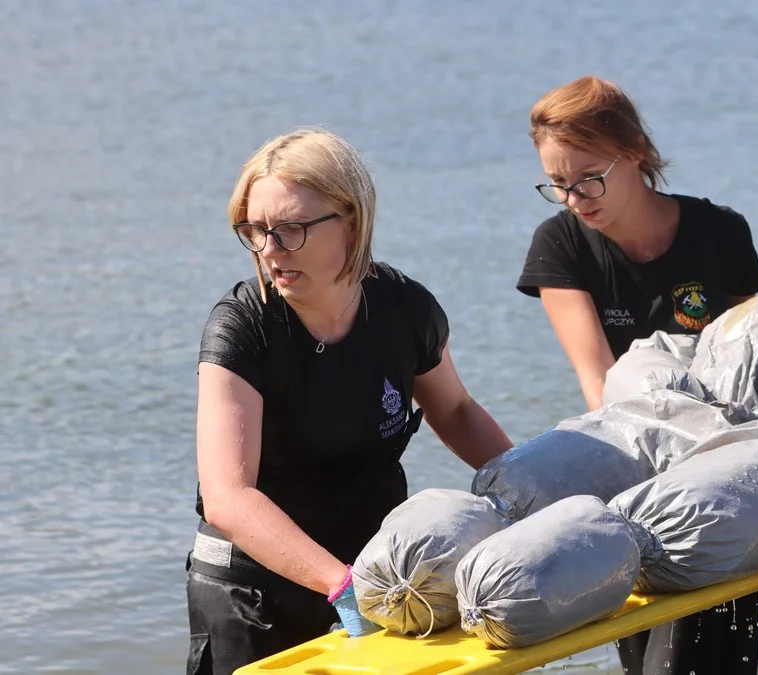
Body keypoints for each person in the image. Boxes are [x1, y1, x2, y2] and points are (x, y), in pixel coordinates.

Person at [186, 128, 513, 675]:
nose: (269, 252)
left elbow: (454, 412)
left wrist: (530, 494)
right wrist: (338, 582)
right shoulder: (241, 327)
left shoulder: (403, 308)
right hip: (252, 592)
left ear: (353, 222)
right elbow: (228, 497)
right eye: (255, 231)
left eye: (290, 230)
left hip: (377, 576)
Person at [516, 76, 758, 675]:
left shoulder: (722, 233)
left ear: (634, 151)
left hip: (724, 475)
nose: (577, 198)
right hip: (630, 479)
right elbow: (599, 383)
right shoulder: (560, 246)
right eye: (559, 185)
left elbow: (752, 367)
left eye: (589, 177)